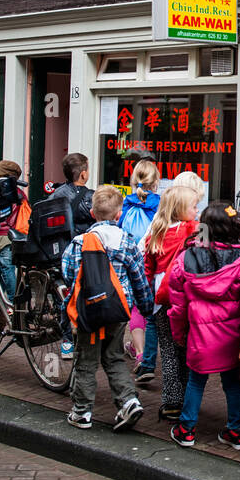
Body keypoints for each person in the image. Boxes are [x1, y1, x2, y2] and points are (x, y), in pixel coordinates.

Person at [60, 185, 153, 432]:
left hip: (88, 312)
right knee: (113, 357)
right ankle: (128, 401)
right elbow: (139, 278)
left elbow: (68, 273)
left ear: (92, 213)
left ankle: (82, 412)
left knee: (86, 361)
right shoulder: (128, 242)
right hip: (117, 310)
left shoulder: (79, 242)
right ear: (118, 214)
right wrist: (145, 307)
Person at [167, 202, 240, 449]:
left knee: (196, 381)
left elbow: (178, 304)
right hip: (231, 336)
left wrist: (179, 333)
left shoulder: (187, 257)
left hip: (200, 335)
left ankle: (186, 429)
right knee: (231, 384)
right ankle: (236, 431)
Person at [144, 184, 201, 420]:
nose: (198, 211)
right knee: (186, 348)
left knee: (167, 349)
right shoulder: (196, 231)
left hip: (161, 296)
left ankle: (171, 401)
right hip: (185, 295)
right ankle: (188, 397)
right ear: (181, 210)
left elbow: (147, 266)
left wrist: (147, 292)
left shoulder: (156, 231)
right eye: (194, 207)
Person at [122, 158, 162, 383]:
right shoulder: (158, 202)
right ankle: (149, 355)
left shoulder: (127, 201)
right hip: (151, 261)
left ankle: (138, 353)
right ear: (156, 181)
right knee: (151, 311)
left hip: (130, 260)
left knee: (136, 309)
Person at [0, 160, 27, 299]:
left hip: (4, 234)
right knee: (6, 266)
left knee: (7, 267)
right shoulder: (20, 193)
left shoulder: (0, 194)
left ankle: (11, 300)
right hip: (19, 234)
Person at [48, 152, 95, 235]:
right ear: (83, 175)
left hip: (60, 243)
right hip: (82, 243)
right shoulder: (91, 197)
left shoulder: (56, 193)